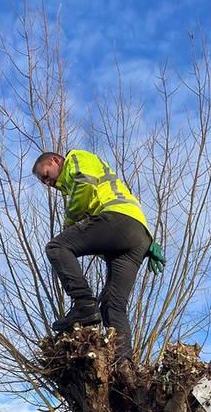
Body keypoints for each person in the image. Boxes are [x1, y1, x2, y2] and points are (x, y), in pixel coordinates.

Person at [32, 149, 157, 361]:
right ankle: (123, 364)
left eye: (45, 175)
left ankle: (84, 304)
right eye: (43, 182)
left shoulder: (76, 159)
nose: (47, 183)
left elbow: (85, 183)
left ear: (54, 160)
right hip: (138, 236)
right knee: (112, 304)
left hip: (119, 220)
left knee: (57, 247)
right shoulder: (76, 186)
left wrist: (69, 224)